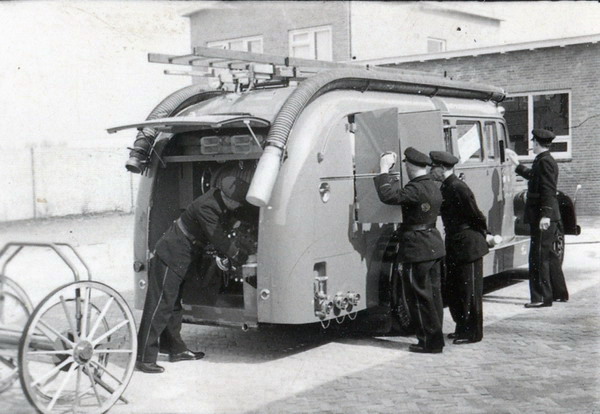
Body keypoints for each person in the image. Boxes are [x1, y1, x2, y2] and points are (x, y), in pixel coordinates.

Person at [136, 176, 251, 373]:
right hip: (170, 255)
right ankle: (144, 357)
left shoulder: (218, 200)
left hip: (181, 257)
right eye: (237, 203)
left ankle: (175, 349)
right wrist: (239, 255)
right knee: (159, 306)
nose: (237, 206)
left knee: (173, 305)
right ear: (229, 199)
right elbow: (218, 237)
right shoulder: (207, 207)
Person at [374, 147, 446, 353]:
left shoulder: (416, 189)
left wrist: (383, 169)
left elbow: (388, 196)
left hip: (417, 248)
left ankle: (429, 342)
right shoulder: (432, 186)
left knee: (419, 296)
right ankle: (435, 337)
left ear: (409, 166)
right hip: (432, 244)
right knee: (433, 295)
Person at [430, 151, 489, 344]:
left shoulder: (457, 187)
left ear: (442, 168)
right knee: (457, 290)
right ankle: (462, 327)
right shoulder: (448, 186)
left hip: (468, 244)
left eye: (434, 167)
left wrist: (481, 235)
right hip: (457, 243)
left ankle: (473, 333)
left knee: (469, 291)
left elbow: (476, 215)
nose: (432, 171)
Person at [505, 129, 569, 308]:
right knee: (549, 255)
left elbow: (548, 189)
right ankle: (559, 292)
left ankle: (541, 298)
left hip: (544, 217)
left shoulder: (544, 162)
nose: (531, 144)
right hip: (547, 216)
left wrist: (545, 215)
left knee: (538, 257)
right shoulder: (543, 160)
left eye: (533, 142)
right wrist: (517, 164)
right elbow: (534, 177)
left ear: (537, 143)